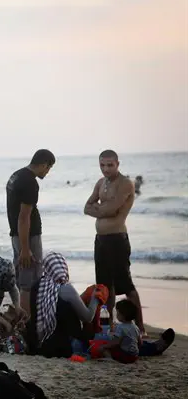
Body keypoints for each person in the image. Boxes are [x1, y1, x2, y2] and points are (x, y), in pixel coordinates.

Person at [83, 150, 145, 335]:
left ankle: (140, 327)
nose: (106, 169)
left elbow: (111, 210)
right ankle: (110, 324)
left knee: (126, 285)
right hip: (100, 240)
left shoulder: (125, 184)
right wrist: (102, 210)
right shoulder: (100, 183)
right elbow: (87, 207)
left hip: (117, 239)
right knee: (104, 286)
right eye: (102, 165)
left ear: (118, 164)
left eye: (110, 165)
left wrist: (100, 209)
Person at [6, 149, 55, 317]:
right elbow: (24, 217)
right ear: (42, 164)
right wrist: (26, 249)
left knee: (20, 279)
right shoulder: (30, 183)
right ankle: (26, 323)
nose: (47, 172)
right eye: (48, 168)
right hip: (27, 237)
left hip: (16, 235)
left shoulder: (16, 175)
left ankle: (20, 317)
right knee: (29, 282)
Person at [26, 252, 101, 358]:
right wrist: (95, 298)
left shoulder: (37, 286)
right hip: (64, 347)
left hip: (38, 345)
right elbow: (87, 317)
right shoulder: (66, 288)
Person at [95, 299, 175, 363]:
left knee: (107, 348)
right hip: (135, 356)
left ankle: (110, 359)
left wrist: (104, 346)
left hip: (125, 356)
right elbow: (140, 342)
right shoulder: (135, 327)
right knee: (134, 341)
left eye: (118, 313)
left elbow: (116, 342)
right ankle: (154, 346)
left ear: (122, 315)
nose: (116, 315)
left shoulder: (120, 327)